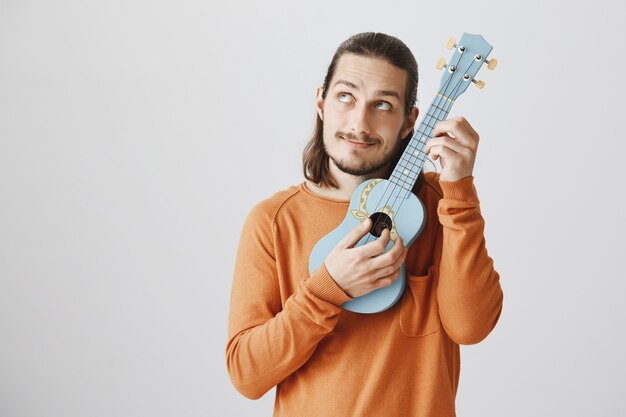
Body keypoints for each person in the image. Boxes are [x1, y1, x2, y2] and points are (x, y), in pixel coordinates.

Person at [226, 32, 503, 417]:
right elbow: (246, 374)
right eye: (346, 96)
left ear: (410, 122)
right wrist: (327, 289)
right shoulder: (273, 220)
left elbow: (471, 327)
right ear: (321, 101)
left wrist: (460, 191)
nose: (360, 122)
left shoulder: (444, 204)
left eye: (383, 105)